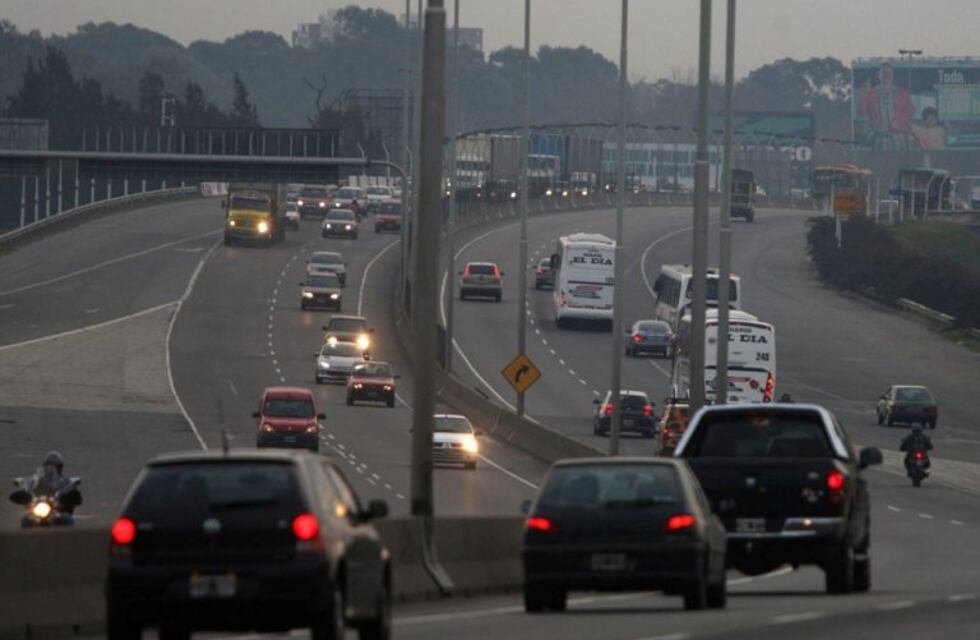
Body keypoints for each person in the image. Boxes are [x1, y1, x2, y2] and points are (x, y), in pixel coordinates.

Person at [858, 62, 915, 150]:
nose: (887, 75)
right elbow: (862, 112)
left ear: (893, 76)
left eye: (890, 73)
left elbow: (911, 110)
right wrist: (863, 96)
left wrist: (899, 121)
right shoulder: (871, 93)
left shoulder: (901, 92)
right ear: (879, 75)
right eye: (884, 72)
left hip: (897, 137)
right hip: (878, 137)